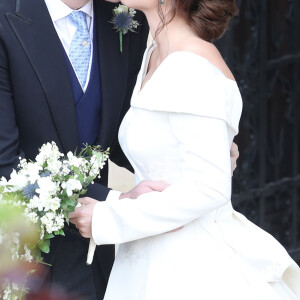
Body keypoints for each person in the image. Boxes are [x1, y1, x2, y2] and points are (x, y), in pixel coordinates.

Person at [70, 0, 300, 299]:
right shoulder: (154, 54)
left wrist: (108, 219)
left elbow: (210, 188)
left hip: (189, 267)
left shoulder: (192, 64)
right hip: (148, 256)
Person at [0, 0, 151, 298]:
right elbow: (4, 164)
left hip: (95, 258)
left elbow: (123, 133)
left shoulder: (127, 22)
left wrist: (186, 154)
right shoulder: (6, 18)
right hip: (23, 257)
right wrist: (113, 200)